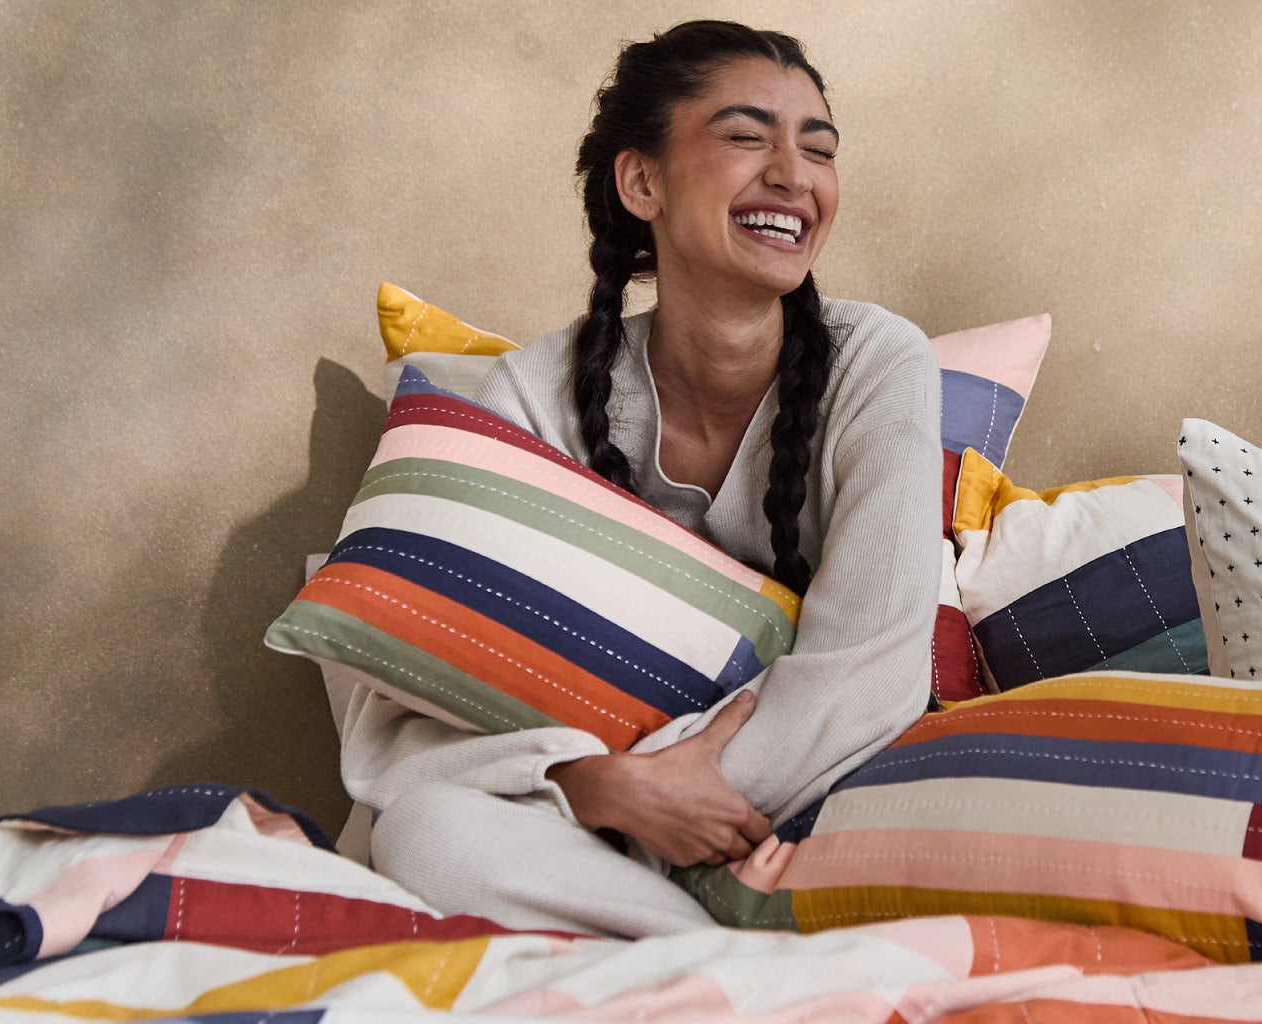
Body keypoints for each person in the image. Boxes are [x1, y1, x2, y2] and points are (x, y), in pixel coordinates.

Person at [337, 20, 942, 938]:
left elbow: (869, 670)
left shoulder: (879, 362)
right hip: (585, 817)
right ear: (642, 181)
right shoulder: (534, 395)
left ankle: (699, 947)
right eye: (747, 136)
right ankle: (741, 971)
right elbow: (407, 704)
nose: (793, 174)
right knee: (424, 830)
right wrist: (606, 790)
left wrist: (680, 795)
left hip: (810, 787)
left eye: (817, 149)